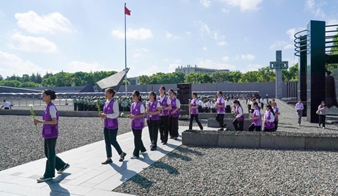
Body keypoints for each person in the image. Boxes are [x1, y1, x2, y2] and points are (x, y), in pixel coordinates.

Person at [33, 90, 70, 183]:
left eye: (44, 95)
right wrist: (39, 121)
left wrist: (41, 122)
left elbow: (54, 121)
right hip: (48, 133)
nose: (42, 97)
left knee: (50, 154)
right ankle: (62, 165)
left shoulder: (51, 107)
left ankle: (48, 174)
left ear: (49, 96)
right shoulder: (47, 106)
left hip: (52, 133)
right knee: (48, 153)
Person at [99, 88, 127, 164]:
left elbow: (116, 114)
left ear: (111, 94)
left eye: (106, 93)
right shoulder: (106, 102)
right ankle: (109, 157)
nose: (105, 94)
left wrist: (106, 115)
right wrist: (103, 115)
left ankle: (121, 153)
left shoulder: (114, 102)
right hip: (106, 124)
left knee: (113, 141)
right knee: (107, 141)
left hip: (113, 125)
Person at [130, 90, 147, 159]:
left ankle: (136, 153)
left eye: (134, 95)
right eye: (132, 95)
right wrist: (131, 116)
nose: (133, 97)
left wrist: (134, 116)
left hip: (139, 123)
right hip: (133, 122)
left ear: (138, 96)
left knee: (136, 138)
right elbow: (132, 113)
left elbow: (143, 114)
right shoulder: (132, 104)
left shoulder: (141, 104)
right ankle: (142, 148)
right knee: (137, 137)